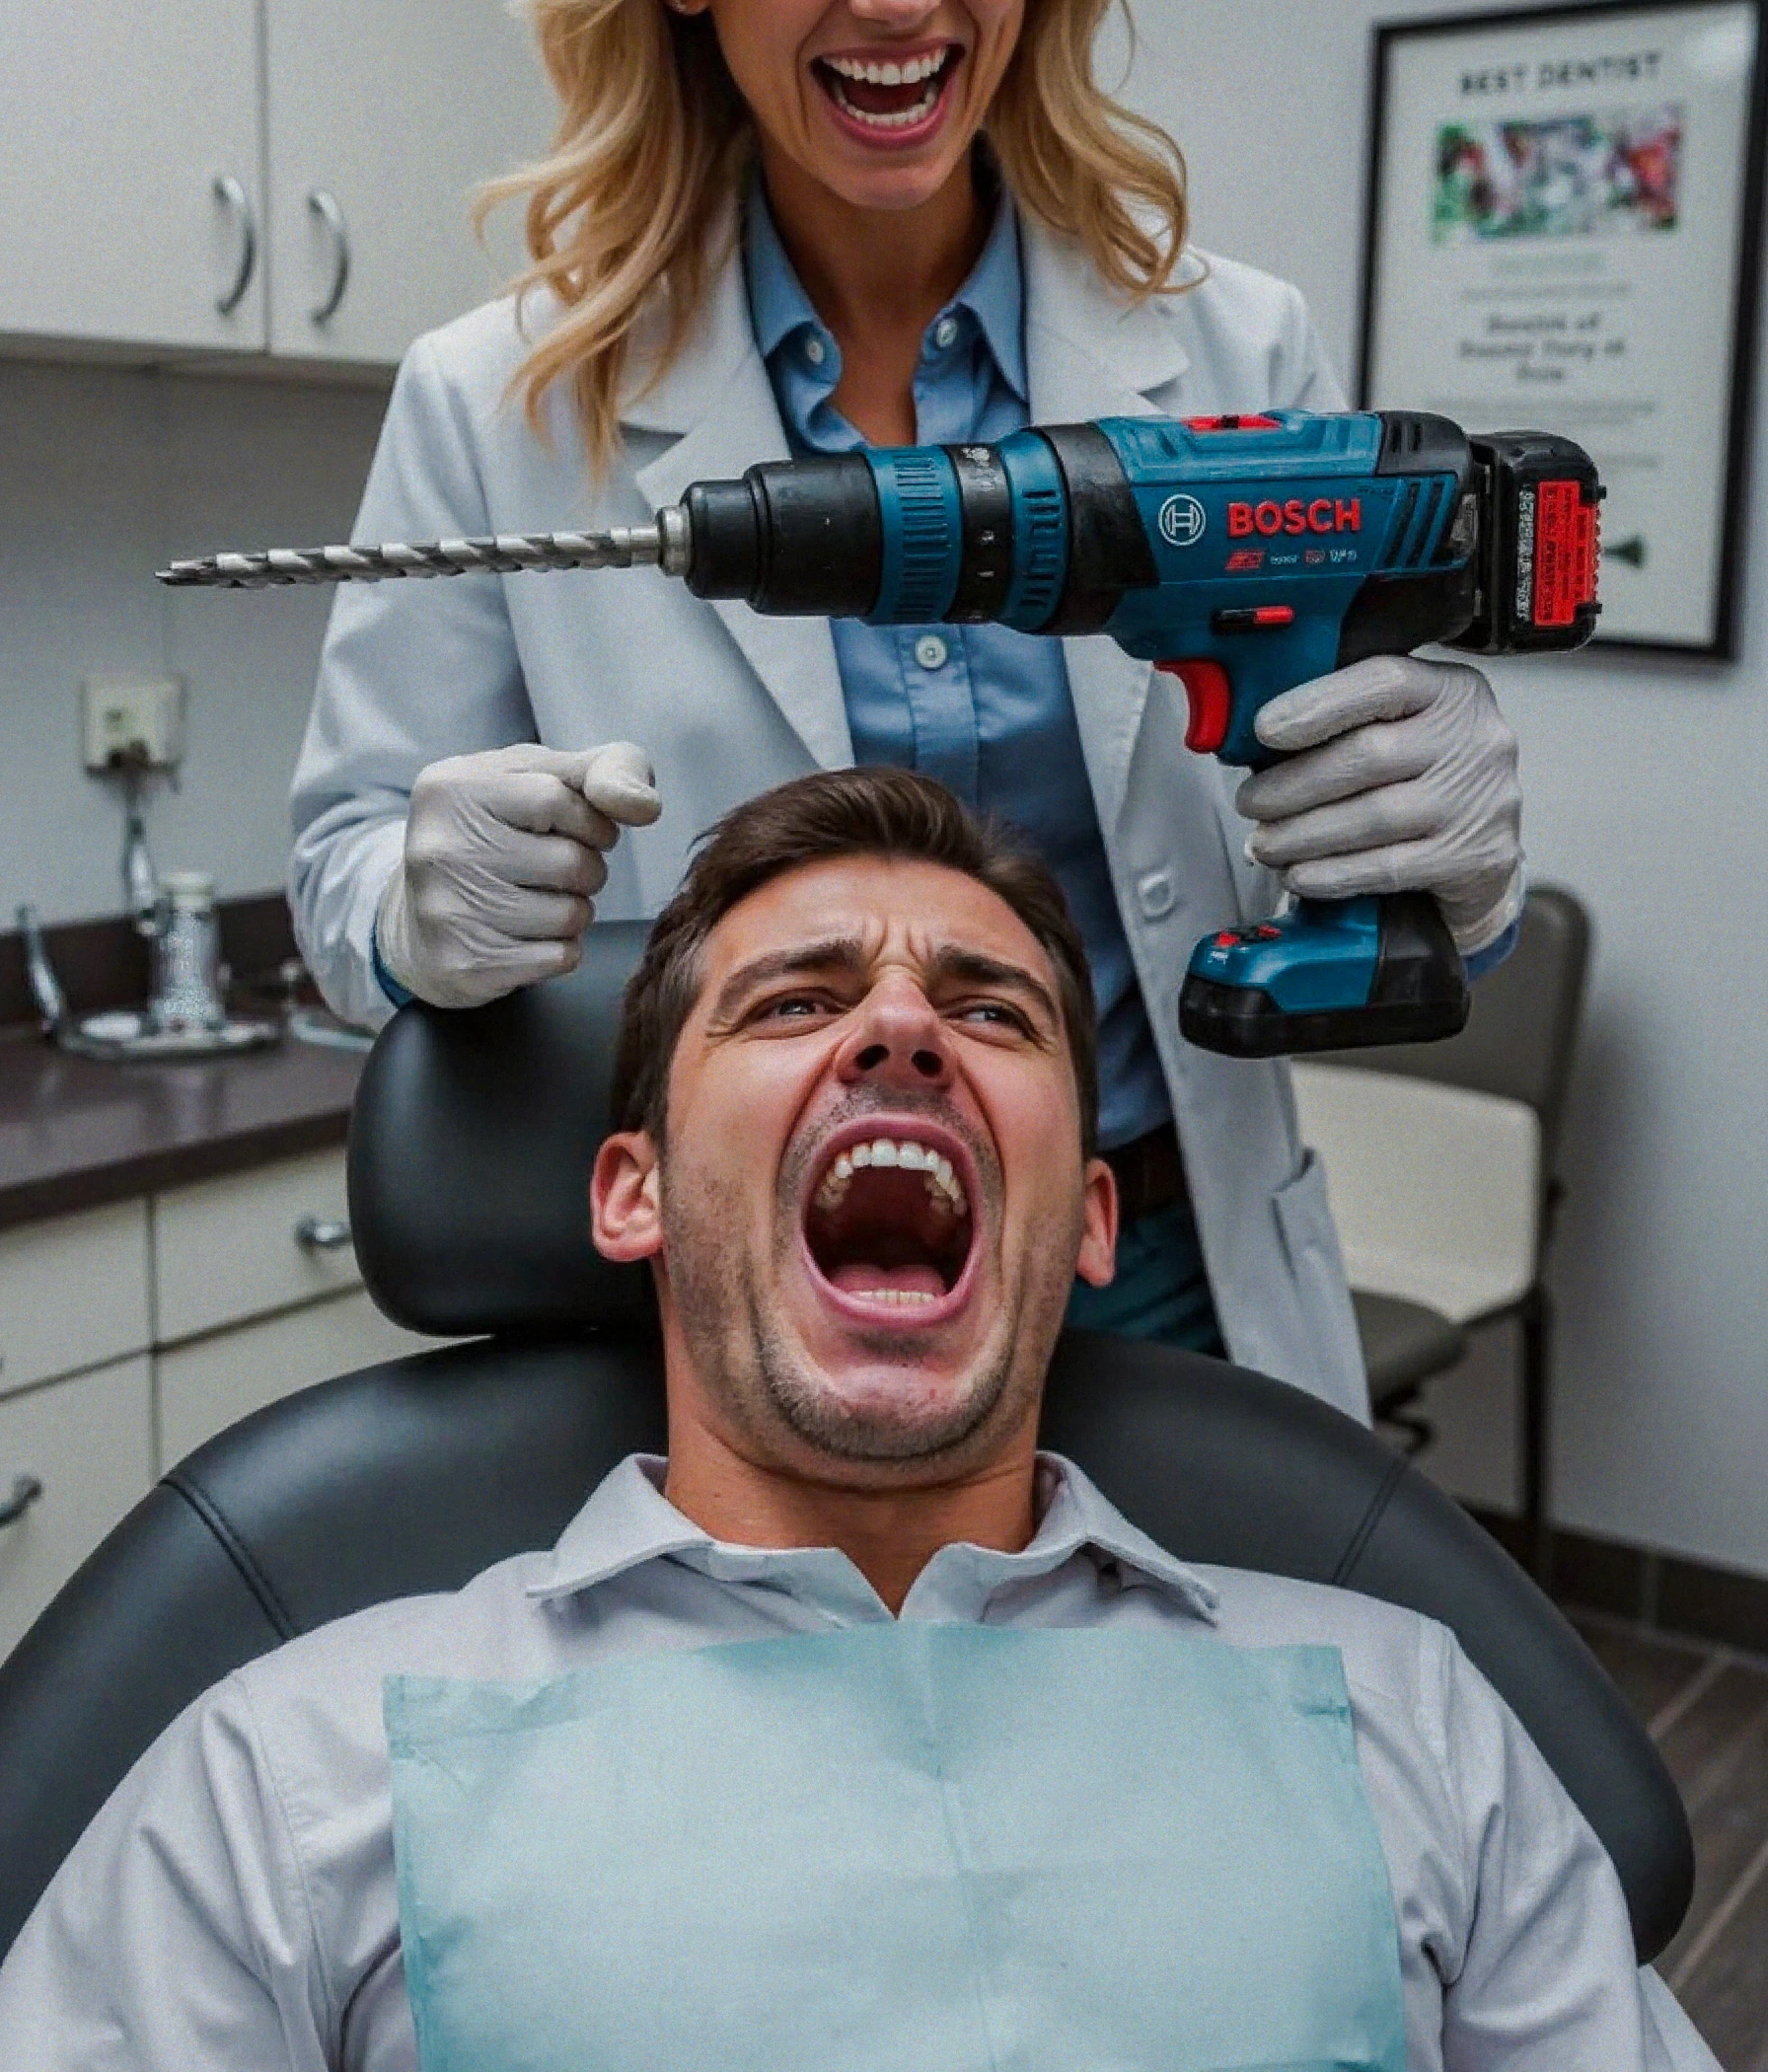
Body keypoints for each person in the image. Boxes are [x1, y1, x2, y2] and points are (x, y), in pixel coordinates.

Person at [289, 0, 1526, 1416]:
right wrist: (416, 906)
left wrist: (1448, 847)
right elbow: (341, 873)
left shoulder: (1235, 352)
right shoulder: (500, 403)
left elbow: (1295, 831)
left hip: (1158, 1270)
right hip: (752, 1318)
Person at [3, 769, 1707, 2068]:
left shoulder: (1412, 1715)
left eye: (989, 1012)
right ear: (633, 1195)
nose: (901, 1029)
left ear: (1095, 1221)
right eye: (798, 1002)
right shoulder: (290, 1774)